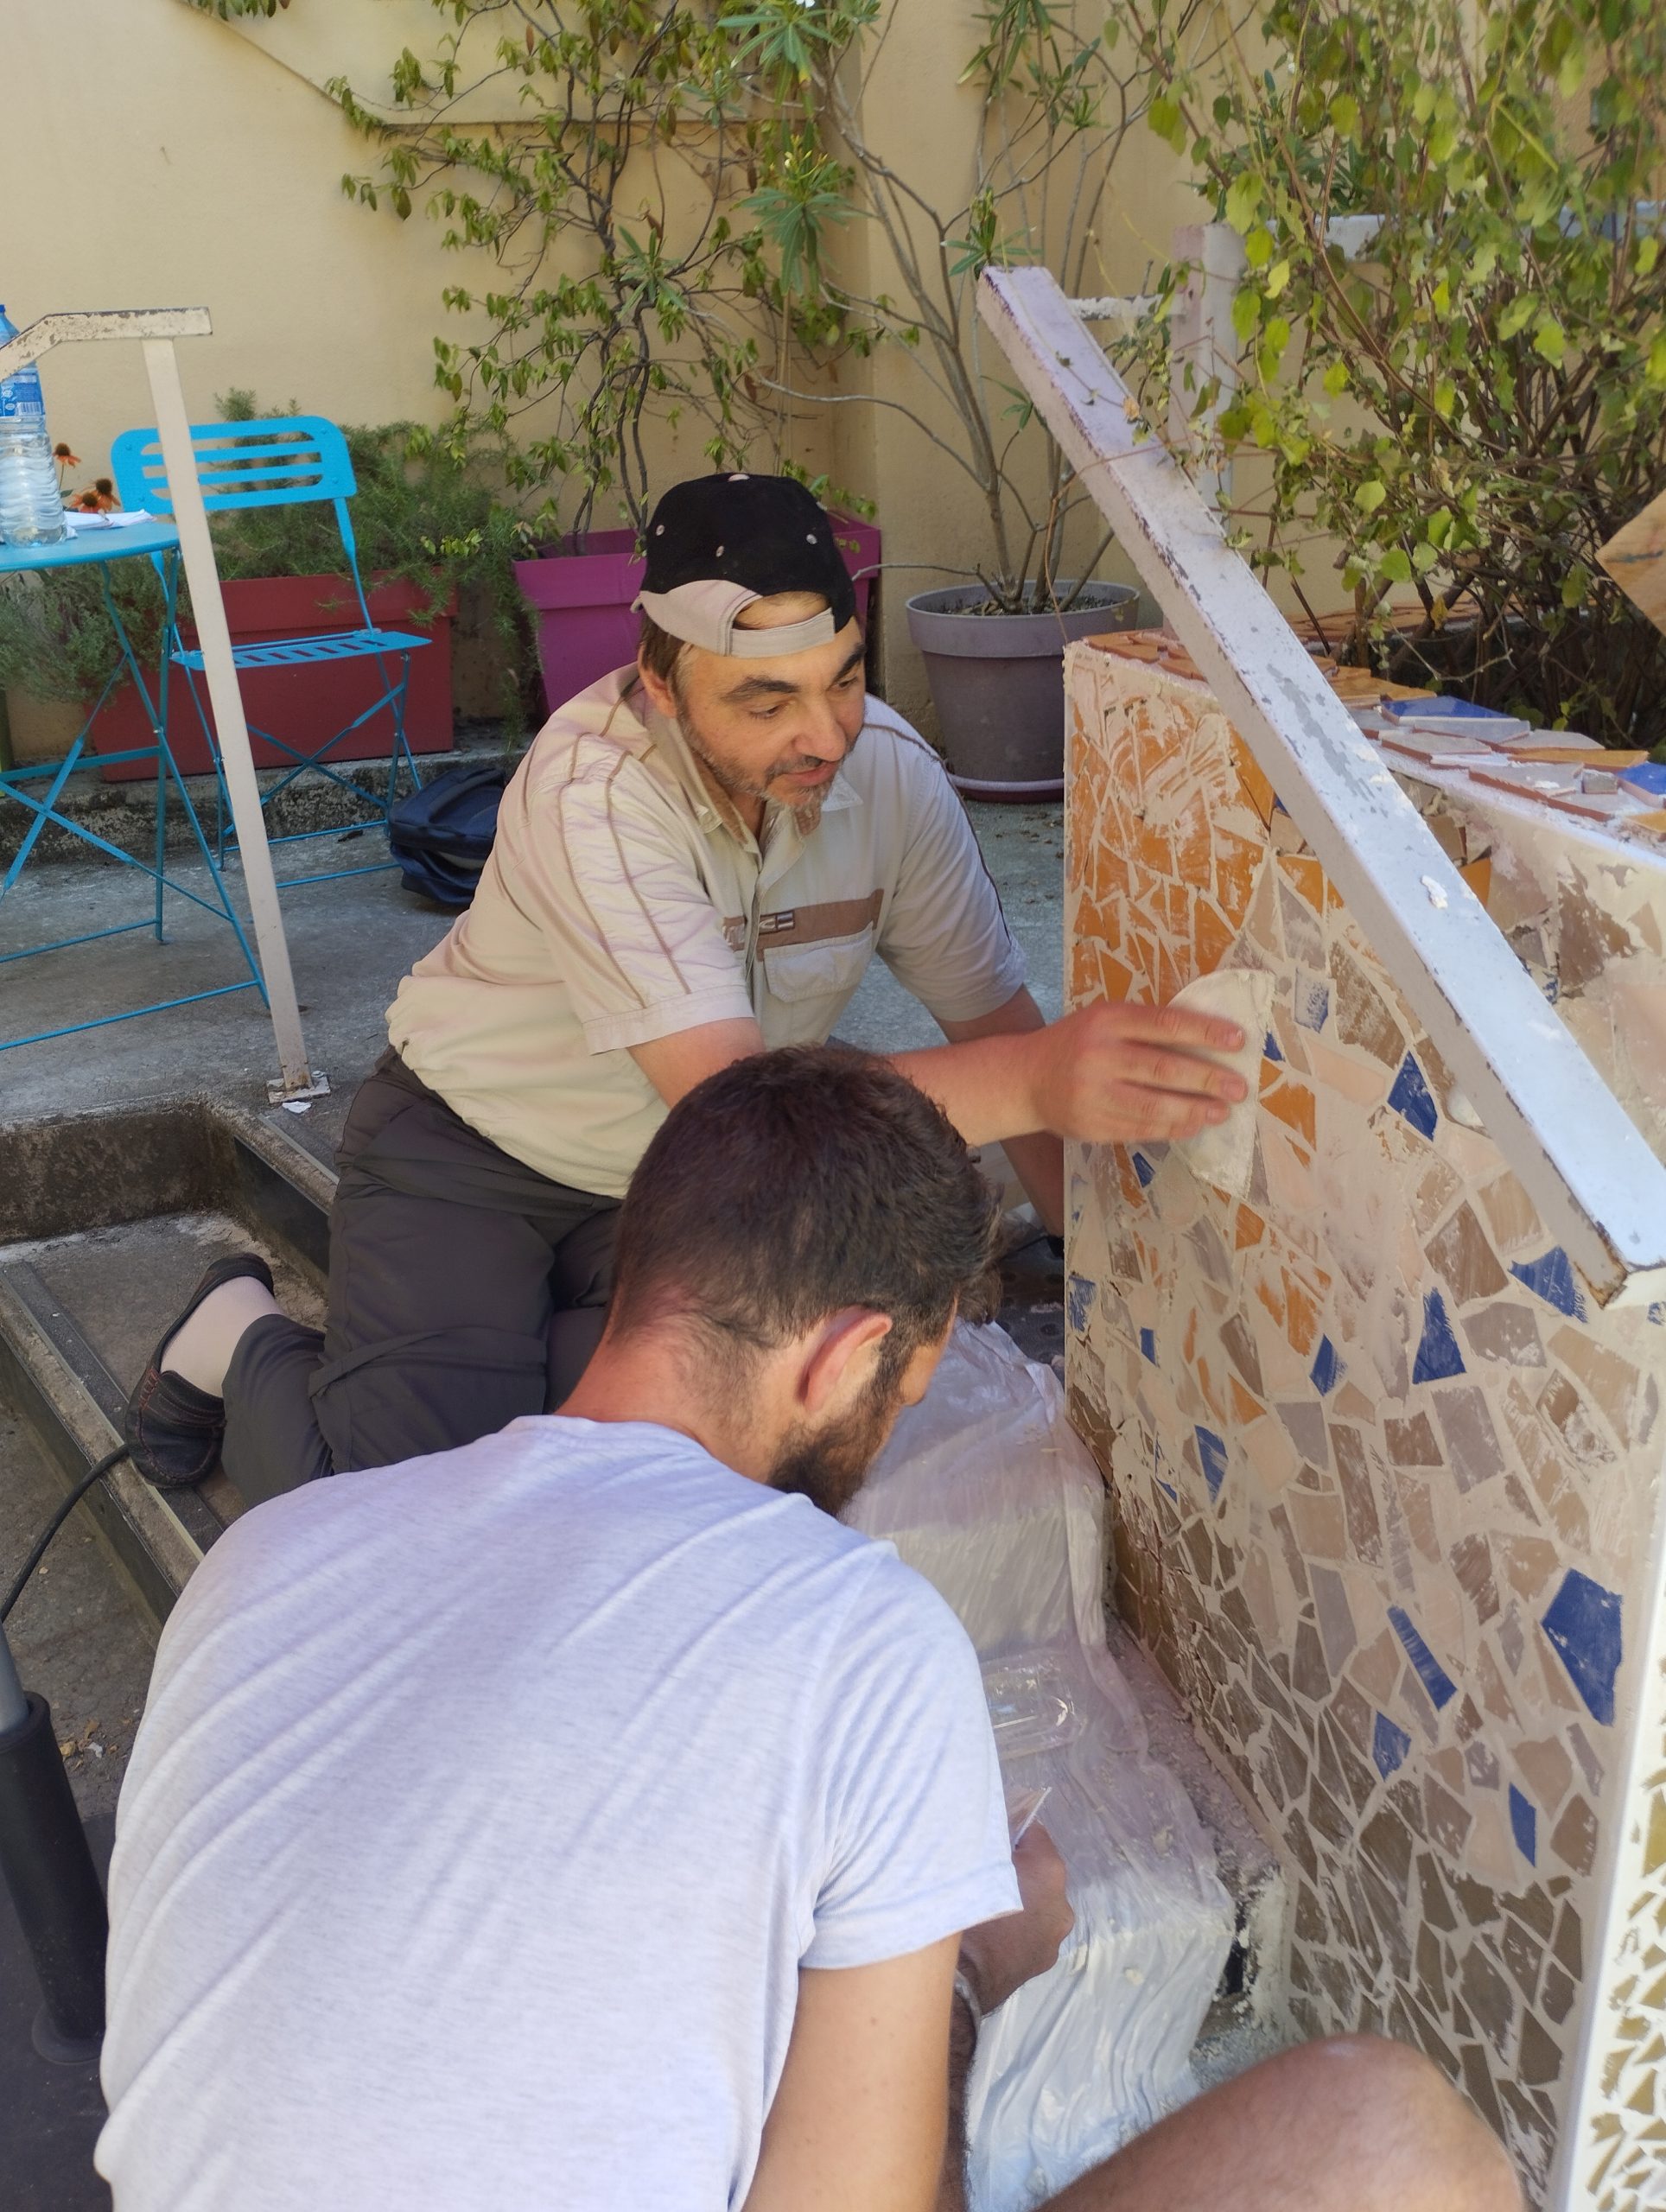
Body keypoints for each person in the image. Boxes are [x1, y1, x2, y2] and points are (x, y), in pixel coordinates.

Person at [99, 1048, 1520, 2212]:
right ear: (847, 1355)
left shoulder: (272, 1555)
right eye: (909, 1391)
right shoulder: (861, 1635)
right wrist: (972, 1970)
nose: (895, 1428)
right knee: (1388, 2137)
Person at [123, 469, 1250, 1508]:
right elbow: (743, 1112)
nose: (824, 735)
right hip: (477, 1155)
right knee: (412, 1517)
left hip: (682, 1192)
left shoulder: (894, 777)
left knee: (713, 1447)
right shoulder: (594, 788)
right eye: (765, 702)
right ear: (659, 685)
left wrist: (1097, 1292)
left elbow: (991, 1019)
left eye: (844, 679)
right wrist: (1038, 1079)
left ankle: (493, 1348)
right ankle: (240, 1331)